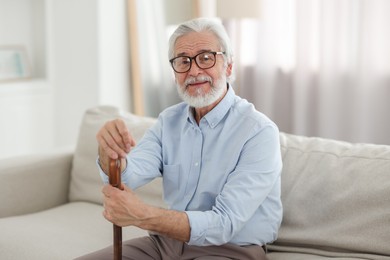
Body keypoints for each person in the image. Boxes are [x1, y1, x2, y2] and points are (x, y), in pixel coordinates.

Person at [77, 17, 282, 260]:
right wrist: (109, 151)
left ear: (228, 66)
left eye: (206, 58)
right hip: (167, 243)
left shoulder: (259, 132)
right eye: (183, 61)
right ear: (175, 73)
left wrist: (143, 215)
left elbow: (224, 223)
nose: (194, 71)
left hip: (230, 249)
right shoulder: (168, 122)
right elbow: (126, 175)